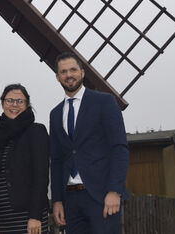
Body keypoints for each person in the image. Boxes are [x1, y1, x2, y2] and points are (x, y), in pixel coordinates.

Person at [49, 51, 129, 234]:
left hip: (102, 196)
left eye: (73, 70)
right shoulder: (55, 114)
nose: (69, 75)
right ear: (57, 77)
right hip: (70, 199)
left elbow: (119, 148)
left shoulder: (104, 102)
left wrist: (114, 190)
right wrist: (57, 200)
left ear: (82, 72)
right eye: (63, 72)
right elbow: (57, 160)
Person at [0, 84, 49, 234]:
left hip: (28, 216)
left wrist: (35, 216)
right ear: (2, 103)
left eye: (20, 101)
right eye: (9, 100)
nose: (14, 105)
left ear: (27, 104)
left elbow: (41, 176)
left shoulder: (36, 131)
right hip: (2, 217)